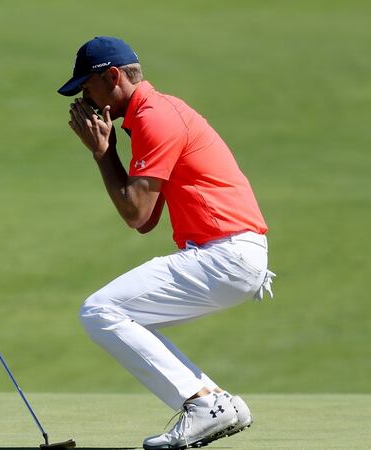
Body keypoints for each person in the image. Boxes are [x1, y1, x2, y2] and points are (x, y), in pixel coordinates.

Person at [57, 36, 276, 450]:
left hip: (225, 255)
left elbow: (135, 212)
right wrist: (108, 150)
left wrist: (103, 153)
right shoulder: (150, 114)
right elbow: (145, 219)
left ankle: (201, 404)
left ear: (113, 77)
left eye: (88, 85)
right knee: (119, 314)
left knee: (101, 310)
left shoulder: (154, 117)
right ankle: (216, 402)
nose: (85, 96)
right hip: (231, 255)